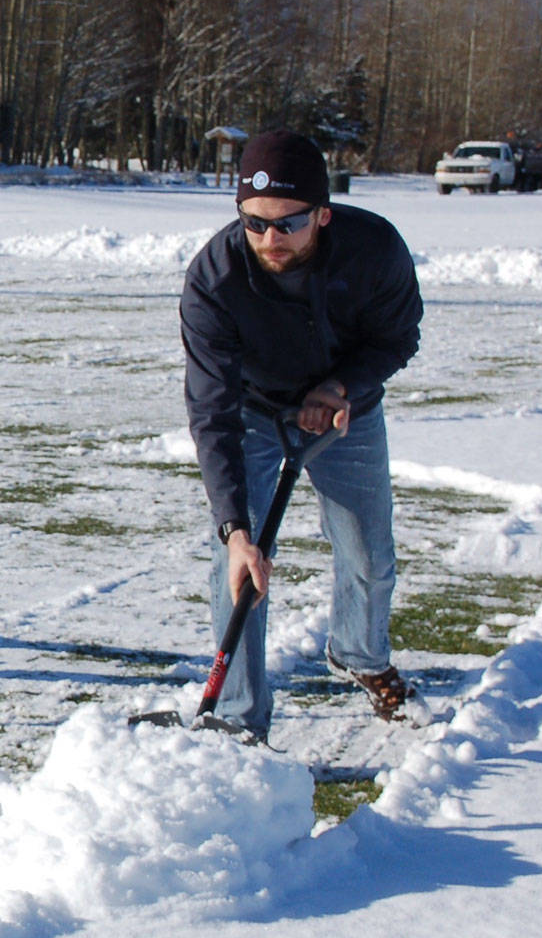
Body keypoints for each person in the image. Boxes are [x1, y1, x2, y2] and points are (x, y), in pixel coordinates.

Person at [180, 128, 428, 739]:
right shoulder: (214, 278)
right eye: (254, 223)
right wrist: (236, 529)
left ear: (323, 212)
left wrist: (343, 386)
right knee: (235, 569)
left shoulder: (373, 250)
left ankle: (360, 655)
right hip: (253, 414)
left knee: (369, 550)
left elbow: (399, 336)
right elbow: (211, 411)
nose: (269, 239)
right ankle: (239, 717)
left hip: (347, 413)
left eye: (288, 223)